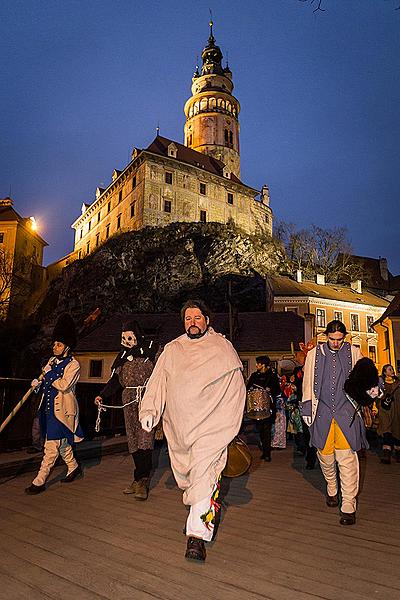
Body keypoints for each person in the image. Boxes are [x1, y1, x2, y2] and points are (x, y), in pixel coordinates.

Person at [139, 299, 245, 562]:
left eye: (198, 318)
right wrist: (150, 411)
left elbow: (236, 390)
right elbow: (157, 383)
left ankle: (196, 538)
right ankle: (196, 514)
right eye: (188, 318)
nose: (193, 322)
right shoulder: (173, 349)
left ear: (207, 320)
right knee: (192, 481)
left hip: (212, 428)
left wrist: (227, 423)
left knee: (205, 479)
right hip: (180, 430)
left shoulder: (222, 348)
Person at [300, 320, 367, 526]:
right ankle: (331, 485)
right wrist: (306, 410)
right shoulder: (314, 355)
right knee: (326, 456)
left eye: (339, 339)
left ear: (344, 337)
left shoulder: (355, 352)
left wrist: (372, 390)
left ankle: (348, 504)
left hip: (347, 412)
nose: (336, 343)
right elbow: (307, 383)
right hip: (322, 413)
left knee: (347, 459)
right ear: (326, 336)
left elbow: (366, 377)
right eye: (332, 339)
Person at [95, 320, 160, 500]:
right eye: (124, 336)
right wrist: (103, 395)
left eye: (130, 335)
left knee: (145, 438)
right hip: (128, 400)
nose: (127, 340)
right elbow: (116, 380)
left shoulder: (152, 350)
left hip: (147, 398)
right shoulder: (123, 356)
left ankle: (143, 481)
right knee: (133, 439)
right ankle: (138, 478)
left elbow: (164, 373)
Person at [25, 314, 84, 495]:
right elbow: (46, 384)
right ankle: (73, 467)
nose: (54, 347)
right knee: (62, 443)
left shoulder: (74, 365)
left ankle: (40, 480)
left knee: (51, 447)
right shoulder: (51, 361)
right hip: (48, 410)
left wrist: (48, 375)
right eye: (54, 344)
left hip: (63, 411)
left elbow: (64, 385)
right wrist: (37, 384)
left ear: (67, 346)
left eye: (58, 344)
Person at [246, 356, 280, 461]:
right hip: (256, 409)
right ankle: (265, 450)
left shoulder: (272, 376)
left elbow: (277, 390)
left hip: (268, 408)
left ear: (263, 365)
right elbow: (248, 388)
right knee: (260, 430)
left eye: (258, 364)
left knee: (266, 430)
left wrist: (270, 390)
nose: (256, 365)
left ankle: (267, 453)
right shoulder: (254, 376)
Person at [377, 364, 400, 464]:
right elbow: (377, 394)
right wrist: (379, 403)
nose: (392, 371)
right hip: (385, 410)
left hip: (396, 409)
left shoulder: (398, 382)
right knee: (386, 429)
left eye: (392, 369)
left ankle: (398, 453)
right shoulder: (381, 383)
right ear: (385, 372)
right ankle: (386, 454)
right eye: (390, 369)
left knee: (396, 429)